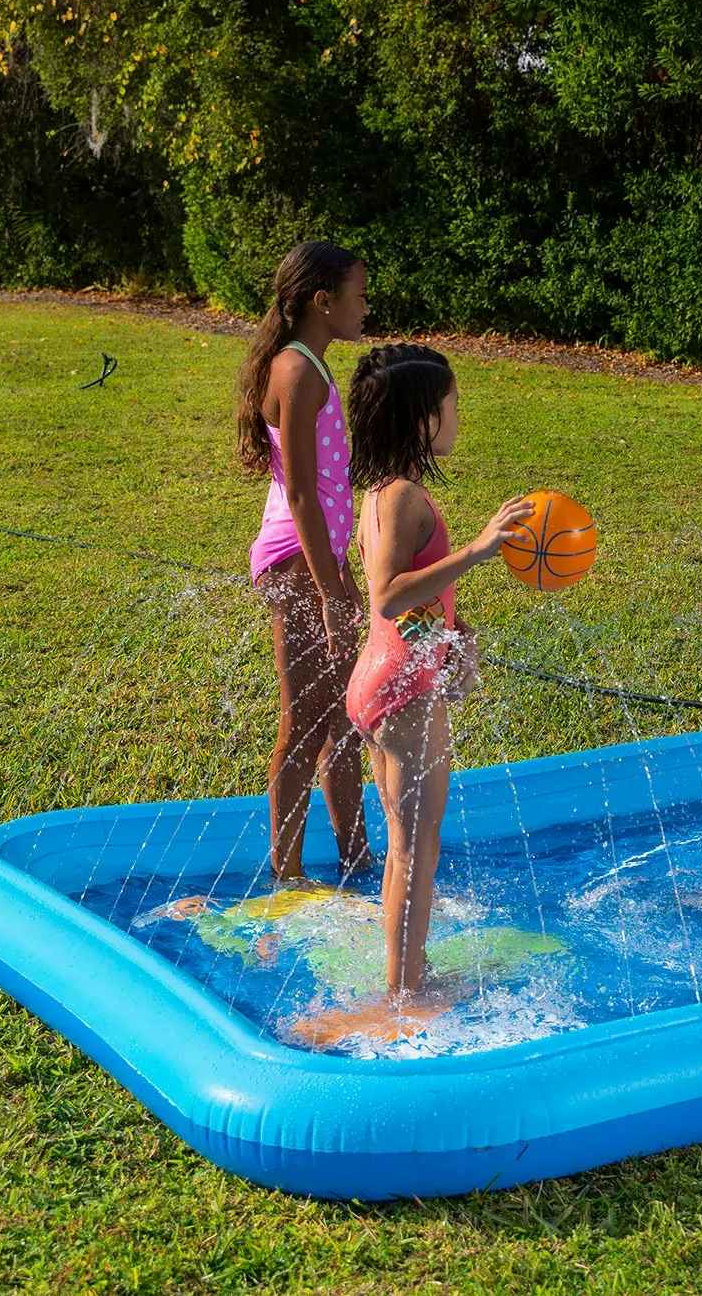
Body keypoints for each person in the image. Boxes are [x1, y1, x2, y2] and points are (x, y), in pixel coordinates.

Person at [342, 343, 532, 998]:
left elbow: (409, 604)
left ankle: (404, 976)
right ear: (423, 417)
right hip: (401, 691)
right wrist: (479, 550)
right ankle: (406, 991)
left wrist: (455, 634)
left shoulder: (383, 493)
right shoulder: (399, 497)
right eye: (452, 403)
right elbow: (388, 594)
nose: (458, 416)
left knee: (408, 843)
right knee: (417, 848)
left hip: (388, 680)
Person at [236, 241, 372, 882]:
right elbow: (297, 491)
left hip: (319, 561)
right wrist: (329, 589)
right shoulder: (296, 371)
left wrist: (342, 573)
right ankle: (285, 875)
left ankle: (357, 858)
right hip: (296, 562)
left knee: (343, 715)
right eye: (359, 294)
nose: (365, 306)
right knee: (304, 720)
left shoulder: (311, 365)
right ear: (323, 299)